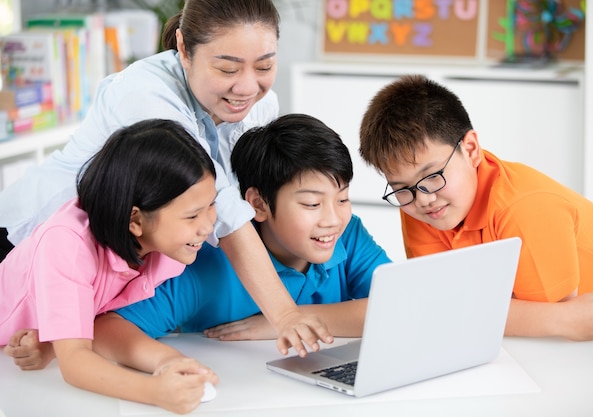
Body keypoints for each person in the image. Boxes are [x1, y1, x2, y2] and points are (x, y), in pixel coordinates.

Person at [0, 0, 331, 357]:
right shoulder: (146, 93)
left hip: (114, 264)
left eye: (265, 65)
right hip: (28, 243)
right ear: (184, 49)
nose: (247, 87)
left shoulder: (260, 106)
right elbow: (224, 208)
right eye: (227, 68)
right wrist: (284, 314)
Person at [358, 74, 593, 342]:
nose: (422, 199)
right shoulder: (423, 203)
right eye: (402, 188)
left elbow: (555, 320)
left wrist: (464, 307)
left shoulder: (522, 205)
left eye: (431, 176)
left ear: (472, 149)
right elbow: (441, 300)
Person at [96, 113, 391, 345]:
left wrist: (286, 319)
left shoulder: (347, 234)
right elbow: (108, 330)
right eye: (312, 204)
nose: (333, 219)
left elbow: (399, 307)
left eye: (343, 199)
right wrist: (164, 363)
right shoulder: (207, 265)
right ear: (258, 204)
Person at [1, 119, 219, 414]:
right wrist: (154, 392)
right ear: (136, 220)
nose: (208, 226)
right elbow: (75, 363)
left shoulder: (169, 250)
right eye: (192, 216)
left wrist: (168, 361)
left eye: (211, 205)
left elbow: (103, 320)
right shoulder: (67, 244)